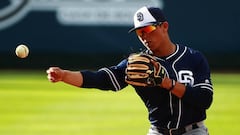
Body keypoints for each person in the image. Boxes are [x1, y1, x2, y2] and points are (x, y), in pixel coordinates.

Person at [46, 6, 213, 135]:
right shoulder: (137, 64)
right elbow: (101, 79)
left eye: (148, 30)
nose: (144, 37)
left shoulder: (193, 58)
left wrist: (166, 83)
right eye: (140, 33)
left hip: (194, 131)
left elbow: (205, 100)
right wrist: (64, 75)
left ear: (164, 26)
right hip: (158, 131)